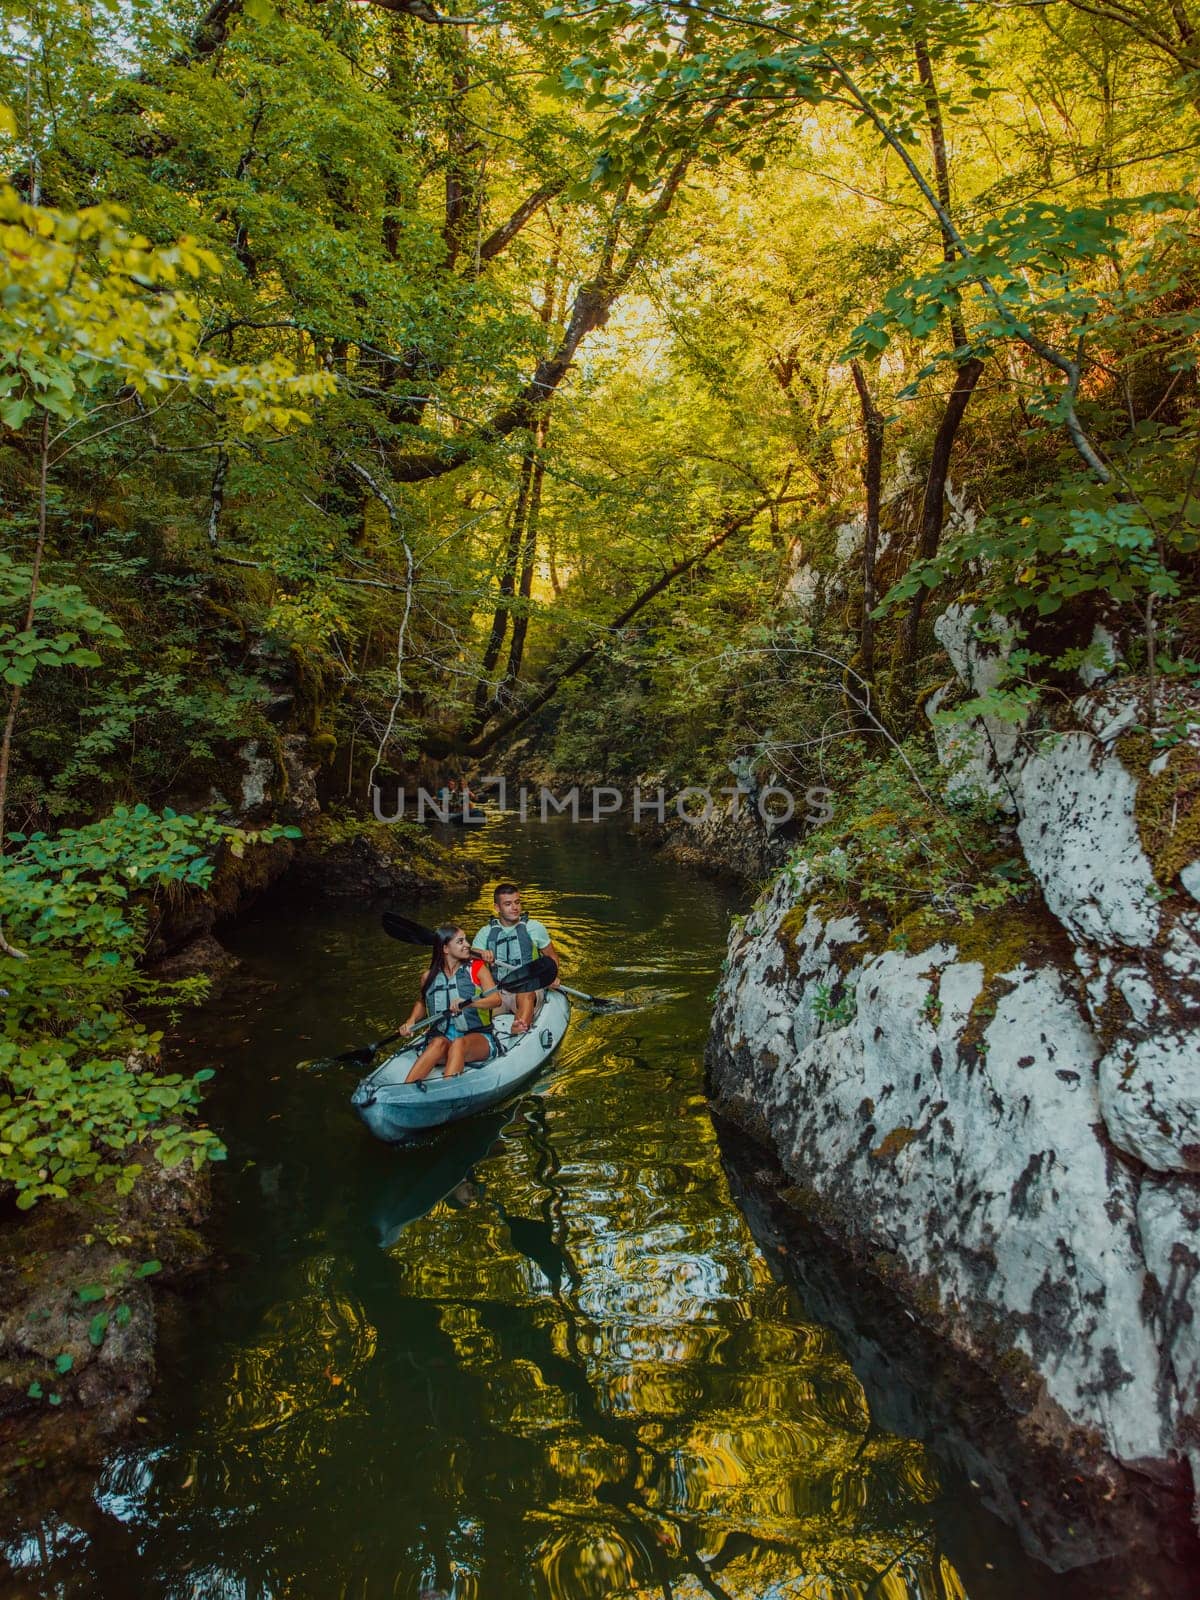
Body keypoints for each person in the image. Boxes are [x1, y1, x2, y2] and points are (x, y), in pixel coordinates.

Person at [397, 925, 502, 1084]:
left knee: (458, 1044)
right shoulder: (428, 977)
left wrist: (469, 1004)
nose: (467, 944)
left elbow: (496, 1000)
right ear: (445, 948)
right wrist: (411, 1021)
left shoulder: (477, 969)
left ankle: (447, 1089)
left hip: (477, 1038)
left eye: (465, 940)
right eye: (460, 941)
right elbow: (422, 1002)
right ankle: (405, 1089)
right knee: (437, 1043)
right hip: (443, 1037)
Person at [473, 883, 561, 1036]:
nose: (514, 907)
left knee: (525, 992)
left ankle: (519, 1027)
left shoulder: (535, 927)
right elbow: (471, 956)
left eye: (517, 902)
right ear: (497, 907)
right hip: (498, 990)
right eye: (508, 904)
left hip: (529, 986)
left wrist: (552, 976)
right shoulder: (485, 932)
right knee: (476, 1009)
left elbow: (551, 957)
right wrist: (482, 953)